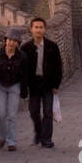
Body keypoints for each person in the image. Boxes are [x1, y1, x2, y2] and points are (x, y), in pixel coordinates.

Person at [19, 16, 63, 148]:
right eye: (36, 27)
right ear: (31, 29)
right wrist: (24, 87)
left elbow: (58, 67)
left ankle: (47, 139)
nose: (38, 30)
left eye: (41, 27)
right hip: (33, 84)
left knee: (48, 112)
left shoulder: (52, 46)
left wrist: (56, 85)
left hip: (48, 83)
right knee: (34, 111)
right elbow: (22, 69)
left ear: (45, 29)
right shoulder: (25, 48)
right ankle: (38, 131)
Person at [0, 28, 29, 151]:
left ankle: (12, 142)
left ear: (18, 43)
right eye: (9, 40)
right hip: (0, 85)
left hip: (14, 86)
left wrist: (24, 89)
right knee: (1, 114)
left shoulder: (22, 57)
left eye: (14, 41)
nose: (11, 42)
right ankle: (3, 137)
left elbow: (24, 75)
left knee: (11, 115)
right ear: (5, 40)